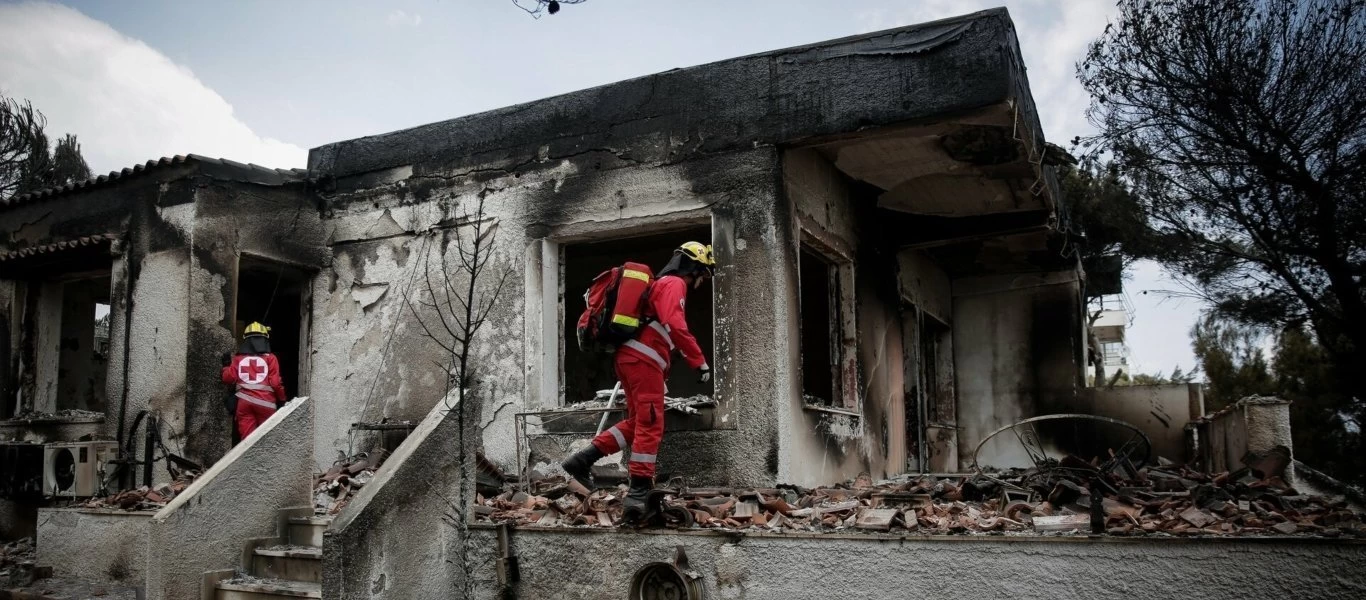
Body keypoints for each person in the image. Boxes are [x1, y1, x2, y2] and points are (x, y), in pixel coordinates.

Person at [562, 241, 715, 520]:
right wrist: (699, 362)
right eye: (703, 274)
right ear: (693, 267)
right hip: (644, 362)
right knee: (651, 422)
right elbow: (675, 323)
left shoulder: (660, 285)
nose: (701, 281)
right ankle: (638, 493)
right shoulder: (673, 284)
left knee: (636, 423)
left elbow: (663, 326)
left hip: (631, 360)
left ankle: (582, 460)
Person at [221, 322, 287, 439]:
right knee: (268, 439)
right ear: (265, 339)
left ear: (245, 340)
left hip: (244, 403)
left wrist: (226, 366)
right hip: (265, 403)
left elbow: (228, 379)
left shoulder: (238, 358)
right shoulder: (271, 358)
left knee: (247, 441)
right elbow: (276, 383)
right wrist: (282, 400)